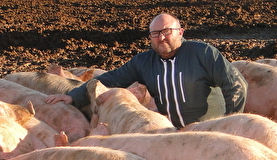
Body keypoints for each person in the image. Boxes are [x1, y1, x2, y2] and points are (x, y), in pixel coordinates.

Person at [45, 13, 248, 129]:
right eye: (155, 34)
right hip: (172, 133)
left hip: (208, 131)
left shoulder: (202, 53)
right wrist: (74, 97)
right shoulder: (144, 62)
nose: (161, 38)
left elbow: (236, 85)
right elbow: (113, 78)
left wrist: (229, 124)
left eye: (167, 32)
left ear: (180, 32)